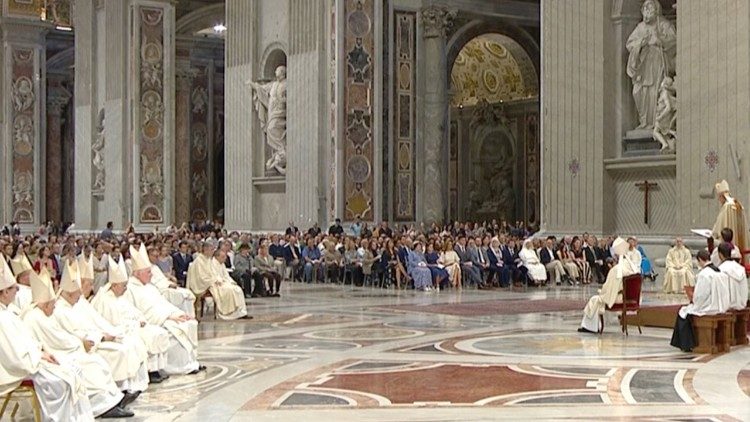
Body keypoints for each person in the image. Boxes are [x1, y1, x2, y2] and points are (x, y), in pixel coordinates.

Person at [21, 268, 134, 418]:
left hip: (62, 350)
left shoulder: (43, 314)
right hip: (53, 355)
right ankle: (103, 405)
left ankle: (111, 400)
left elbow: (61, 336)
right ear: (45, 304)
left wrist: (83, 341)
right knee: (90, 365)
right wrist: (81, 343)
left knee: (95, 362)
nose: (54, 307)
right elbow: (58, 340)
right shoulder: (35, 317)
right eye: (52, 304)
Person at [0, 258, 95, 421]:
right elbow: (14, 356)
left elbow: (24, 342)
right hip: (18, 370)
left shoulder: (8, 312)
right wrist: (38, 355)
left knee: (71, 373)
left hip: (31, 360)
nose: (17, 289)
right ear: (4, 292)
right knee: (61, 381)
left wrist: (39, 352)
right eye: (13, 288)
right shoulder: (2, 317)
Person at [54, 262, 149, 396]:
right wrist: (102, 337)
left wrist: (109, 333)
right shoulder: (59, 310)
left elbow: (96, 322)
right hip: (86, 347)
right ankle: (116, 393)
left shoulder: (78, 302)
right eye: (89, 284)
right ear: (70, 293)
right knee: (117, 353)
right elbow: (72, 335)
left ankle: (124, 390)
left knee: (129, 343)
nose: (91, 288)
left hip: (95, 340)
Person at [91, 257, 171, 385]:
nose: (125, 289)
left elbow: (135, 311)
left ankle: (156, 369)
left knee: (158, 332)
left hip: (134, 326)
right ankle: (143, 376)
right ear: (114, 285)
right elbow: (114, 323)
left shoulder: (120, 296)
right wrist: (135, 324)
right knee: (137, 342)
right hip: (125, 331)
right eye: (123, 286)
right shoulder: (106, 300)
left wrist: (141, 319)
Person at [125, 244, 202, 375]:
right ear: (138, 273)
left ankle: (190, 362)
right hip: (154, 321)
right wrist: (168, 317)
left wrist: (178, 313)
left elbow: (163, 303)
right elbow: (142, 311)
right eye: (148, 272)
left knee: (188, 323)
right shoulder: (130, 289)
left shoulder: (149, 286)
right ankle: (178, 366)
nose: (151, 275)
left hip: (165, 316)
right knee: (176, 329)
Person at [625, 0, 676, 129]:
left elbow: (675, 41)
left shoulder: (663, 24)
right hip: (642, 68)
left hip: (658, 65)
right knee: (638, 92)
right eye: (645, 8)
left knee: (655, 91)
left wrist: (660, 41)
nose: (648, 11)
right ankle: (644, 122)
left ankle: (655, 123)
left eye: (650, 8)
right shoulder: (640, 27)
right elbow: (629, 44)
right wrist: (641, 43)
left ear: (657, 10)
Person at [670, 250, 730, 352]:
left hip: (709, 307)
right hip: (721, 305)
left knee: (683, 313)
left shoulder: (704, 274)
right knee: (686, 311)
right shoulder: (719, 271)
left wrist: (693, 300)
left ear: (700, 260)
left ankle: (687, 344)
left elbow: (701, 296)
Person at [579, 237, 639, 334]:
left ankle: (590, 327)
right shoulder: (632, 266)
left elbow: (609, 289)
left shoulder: (617, 270)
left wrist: (602, 292)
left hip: (619, 298)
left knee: (595, 300)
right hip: (630, 297)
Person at [186, 242, 249, 320]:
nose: (213, 252)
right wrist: (215, 280)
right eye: (211, 250)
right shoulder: (199, 261)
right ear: (205, 250)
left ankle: (239, 312)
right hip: (204, 285)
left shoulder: (207, 259)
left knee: (237, 289)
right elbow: (201, 277)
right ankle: (228, 313)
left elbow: (213, 274)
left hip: (213, 282)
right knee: (228, 290)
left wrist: (218, 280)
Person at [146, 247, 196, 317]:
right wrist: (168, 285)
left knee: (187, 293)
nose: (156, 258)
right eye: (154, 256)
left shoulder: (155, 267)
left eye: (157, 256)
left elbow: (162, 279)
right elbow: (153, 282)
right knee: (183, 295)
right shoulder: (146, 268)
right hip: (159, 290)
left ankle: (188, 316)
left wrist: (170, 283)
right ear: (148, 256)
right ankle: (182, 316)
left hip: (165, 286)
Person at [712, 180, 748, 257]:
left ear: (722, 196)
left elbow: (720, 226)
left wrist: (713, 233)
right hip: (740, 241)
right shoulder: (737, 203)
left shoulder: (726, 207)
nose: (719, 200)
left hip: (728, 245)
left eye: (719, 197)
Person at [717, 242, 749, 310]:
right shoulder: (740, 268)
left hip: (727, 307)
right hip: (742, 305)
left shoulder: (721, 270)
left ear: (720, 254)